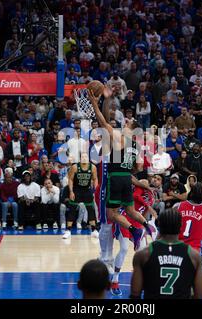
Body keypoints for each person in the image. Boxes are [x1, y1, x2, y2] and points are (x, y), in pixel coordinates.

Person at [88, 89, 154, 250]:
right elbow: (138, 167)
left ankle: (134, 231)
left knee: (112, 214)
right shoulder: (137, 145)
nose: (125, 123)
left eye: (128, 123)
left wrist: (95, 104)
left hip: (116, 178)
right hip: (126, 178)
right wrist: (127, 171)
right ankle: (147, 225)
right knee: (130, 210)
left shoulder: (120, 137)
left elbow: (103, 123)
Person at [130, 208, 202, 299]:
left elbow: (135, 294)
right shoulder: (194, 256)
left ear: (159, 226)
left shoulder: (143, 254)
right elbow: (201, 296)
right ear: (181, 226)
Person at [110, 181, 157, 296]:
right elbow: (134, 197)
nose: (144, 184)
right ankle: (115, 280)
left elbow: (144, 214)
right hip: (124, 221)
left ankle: (143, 280)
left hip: (137, 223)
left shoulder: (151, 195)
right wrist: (148, 206)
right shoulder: (136, 190)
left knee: (143, 253)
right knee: (124, 248)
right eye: (141, 183)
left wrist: (144, 227)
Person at [64, 153, 98, 239]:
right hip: (77, 190)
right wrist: (71, 191)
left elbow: (95, 179)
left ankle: (94, 230)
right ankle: (68, 231)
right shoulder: (75, 167)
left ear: (88, 158)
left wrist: (95, 190)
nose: (84, 158)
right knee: (72, 209)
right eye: (82, 157)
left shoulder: (93, 167)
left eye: (86, 156)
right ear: (80, 158)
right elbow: (70, 179)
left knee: (91, 209)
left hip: (87, 190)